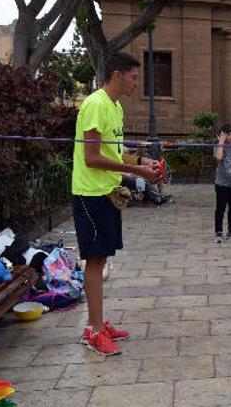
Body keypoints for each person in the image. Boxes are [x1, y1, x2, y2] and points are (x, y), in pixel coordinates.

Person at [72, 52, 161, 356]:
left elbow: (113, 153)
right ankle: (94, 332)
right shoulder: (96, 104)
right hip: (91, 194)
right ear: (117, 75)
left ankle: (98, 324)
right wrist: (139, 172)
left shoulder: (115, 107)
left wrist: (142, 161)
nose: (137, 83)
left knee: (101, 260)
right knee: (95, 261)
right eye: (134, 77)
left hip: (108, 193)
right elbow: (92, 158)